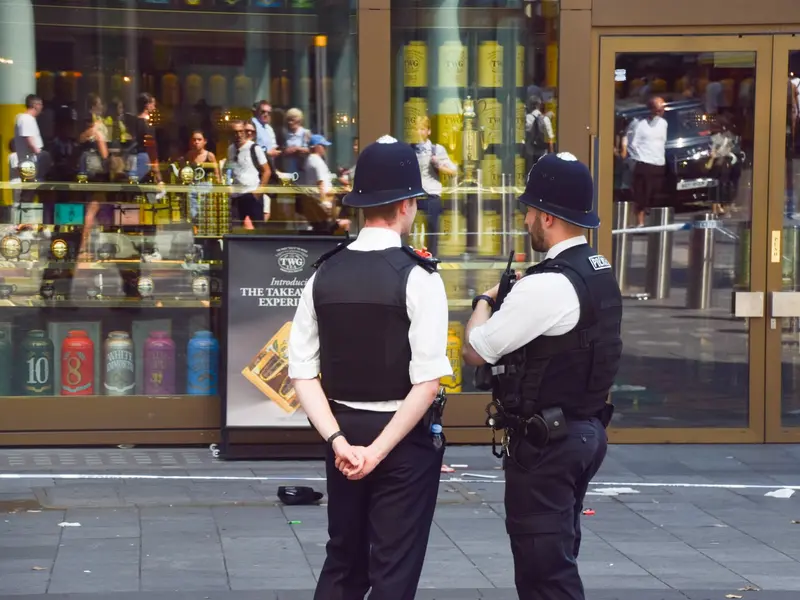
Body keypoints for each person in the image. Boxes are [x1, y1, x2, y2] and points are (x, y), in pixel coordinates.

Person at [287, 135, 452, 600]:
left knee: (343, 560)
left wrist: (340, 442)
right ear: (405, 205)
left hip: (343, 430)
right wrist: (376, 452)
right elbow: (427, 382)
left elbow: (301, 371)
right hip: (402, 436)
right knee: (393, 570)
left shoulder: (324, 272)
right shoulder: (419, 277)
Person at [461, 152, 623, 600]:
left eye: (530, 210)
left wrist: (484, 301)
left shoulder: (547, 284)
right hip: (583, 429)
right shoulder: (597, 269)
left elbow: (475, 350)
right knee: (555, 554)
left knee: (544, 573)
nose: (527, 219)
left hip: (548, 443)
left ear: (548, 217)